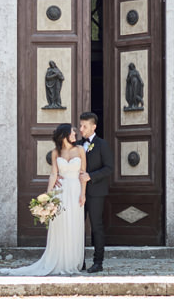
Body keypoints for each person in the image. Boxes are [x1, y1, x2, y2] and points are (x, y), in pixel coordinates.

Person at [0, 123, 86, 276]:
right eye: (72, 132)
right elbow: (53, 174)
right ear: (65, 134)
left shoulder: (80, 150)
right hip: (61, 190)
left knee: (73, 224)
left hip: (76, 190)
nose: (75, 134)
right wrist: (47, 196)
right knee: (61, 225)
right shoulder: (55, 153)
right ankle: (59, 260)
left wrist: (83, 193)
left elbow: (83, 173)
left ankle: (71, 262)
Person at [78, 111, 112, 273]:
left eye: (84, 126)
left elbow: (109, 169)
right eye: (80, 125)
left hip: (96, 192)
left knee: (96, 227)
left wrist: (90, 176)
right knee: (77, 228)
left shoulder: (102, 145)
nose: (81, 129)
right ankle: (79, 261)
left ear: (94, 127)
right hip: (78, 193)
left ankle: (98, 262)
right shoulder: (77, 145)